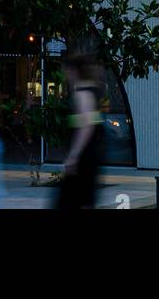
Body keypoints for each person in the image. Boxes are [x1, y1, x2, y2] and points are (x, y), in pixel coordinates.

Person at [56, 55, 104, 210]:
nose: (66, 75)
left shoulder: (82, 93)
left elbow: (86, 126)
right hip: (91, 155)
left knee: (69, 200)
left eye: (67, 71)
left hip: (83, 157)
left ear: (75, 71)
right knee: (84, 200)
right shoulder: (93, 90)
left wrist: (73, 156)